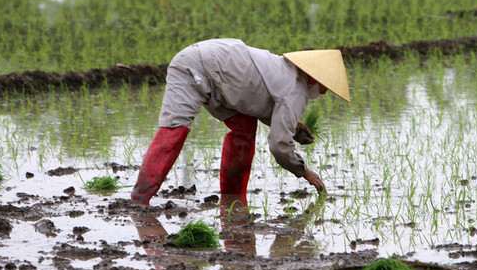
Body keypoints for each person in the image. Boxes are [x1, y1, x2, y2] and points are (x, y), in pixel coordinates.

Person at [130, 38, 350, 205]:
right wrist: (304, 172)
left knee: (244, 130)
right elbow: (279, 146)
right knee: (174, 130)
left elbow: (256, 100)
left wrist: (293, 127)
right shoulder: (295, 90)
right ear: (316, 80)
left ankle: (232, 201)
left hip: (213, 67)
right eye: (326, 87)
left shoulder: (283, 69)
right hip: (196, 68)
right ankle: (139, 199)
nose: (325, 92)